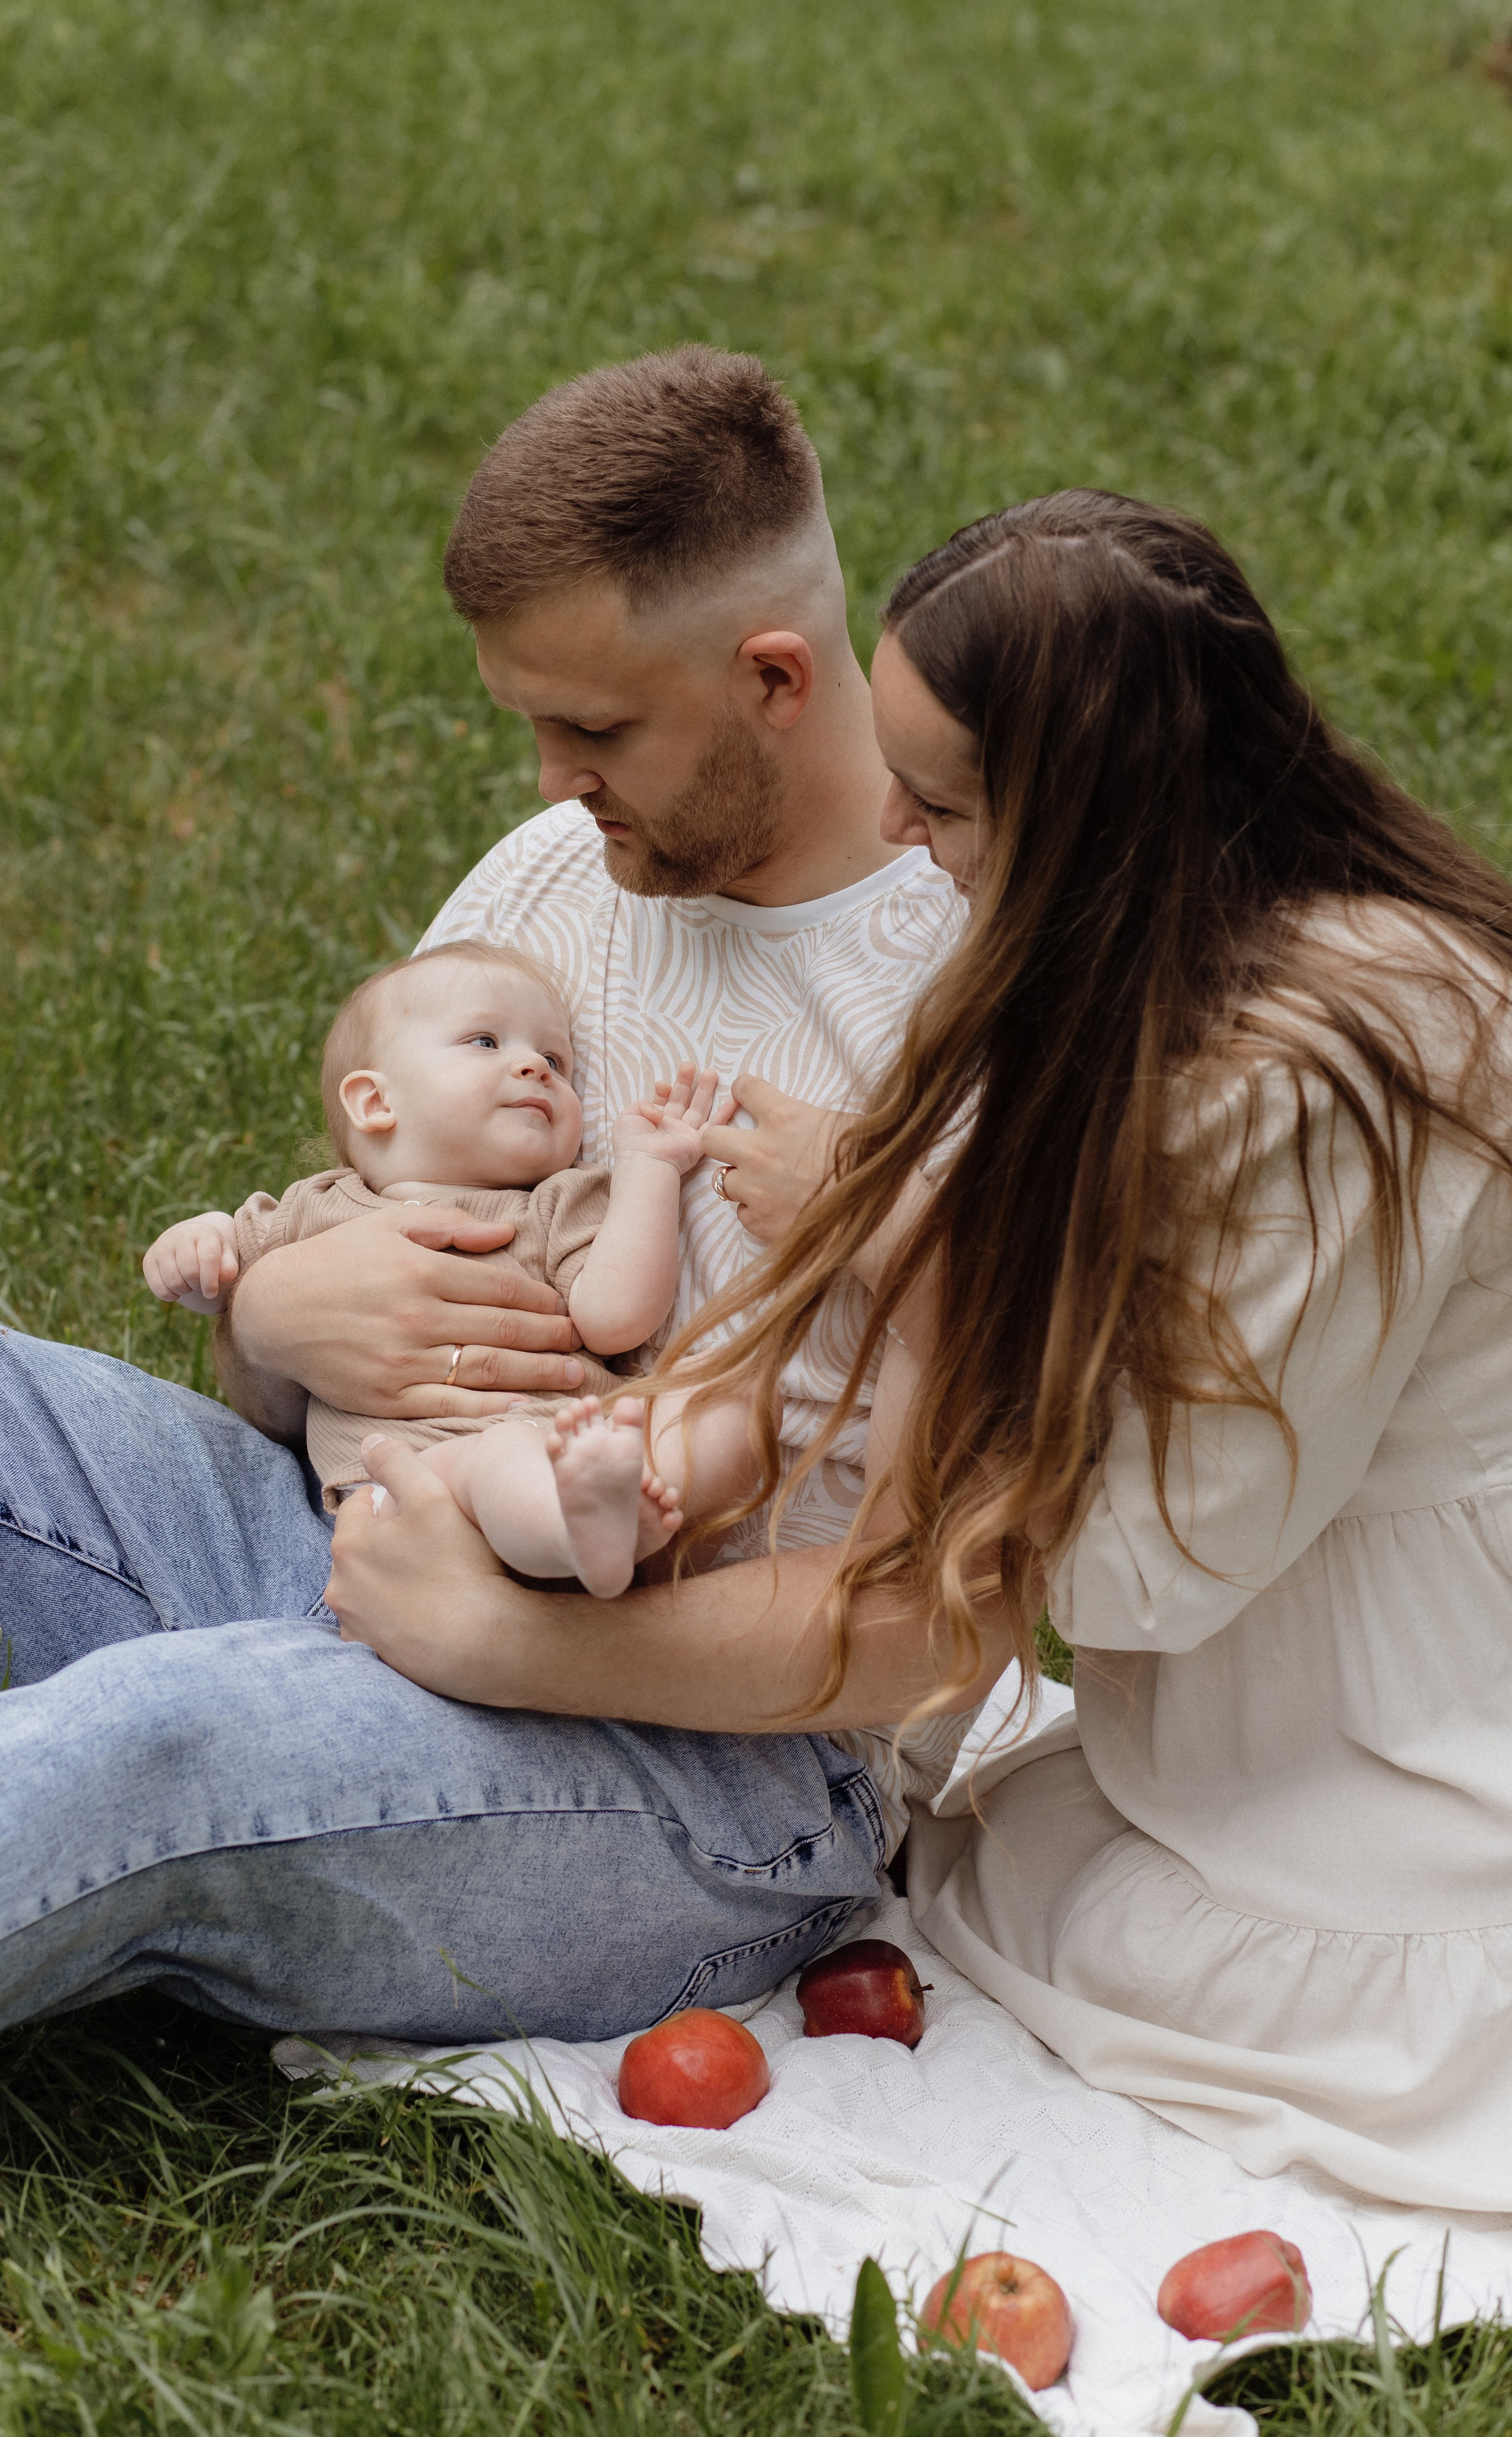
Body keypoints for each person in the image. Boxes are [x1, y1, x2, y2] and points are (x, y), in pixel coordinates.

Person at [332, 486, 1512, 2214]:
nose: (892, 824)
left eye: (943, 798)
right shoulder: (1179, 968)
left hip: (1397, 1736)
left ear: (1095, 817)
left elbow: (1140, 1575)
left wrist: (907, 1248)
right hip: (1237, 1680)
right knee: (1008, 1861)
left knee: (1095, 1918)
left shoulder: (1339, 1064)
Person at [0, 347, 970, 2075]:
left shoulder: (960, 1007)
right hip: (367, 1545)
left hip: (724, 1777)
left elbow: (940, 1618)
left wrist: (519, 1639)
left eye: (594, 727)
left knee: (153, 1737)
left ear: (771, 674)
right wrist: (267, 1325)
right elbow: (357, 1270)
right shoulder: (557, 882)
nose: (549, 779)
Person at [146, 939, 749, 1595]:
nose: (535, 1068)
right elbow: (228, 1275)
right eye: (485, 1043)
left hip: (558, 1441)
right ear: (376, 1103)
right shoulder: (317, 1210)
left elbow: (614, 1320)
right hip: (406, 1483)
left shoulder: (558, 1205)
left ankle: (595, 1526)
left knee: (731, 1418)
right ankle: (581, 1532)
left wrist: (649, 1172)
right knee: (496, 1458)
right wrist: (198, 1244)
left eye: (556, 1059)